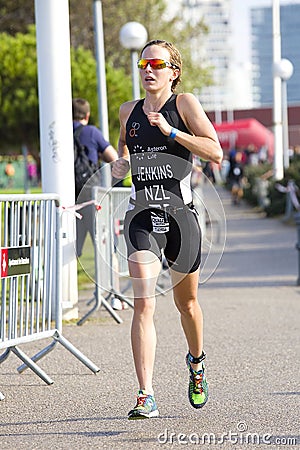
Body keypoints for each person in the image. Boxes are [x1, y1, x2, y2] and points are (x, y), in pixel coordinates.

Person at [112, 39, 223, 419]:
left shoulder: (184, 104)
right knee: (143, 302)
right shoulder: (128, 111)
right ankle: (146, 393)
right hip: (142, 215)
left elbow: (216, 152)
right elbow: (125, 147)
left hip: (181, 216)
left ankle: (196, 363)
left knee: (186, 303)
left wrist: (173, 133)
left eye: (156, 63)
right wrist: (122, 164)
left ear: (172, 72)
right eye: (143, 63)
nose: (147, 69)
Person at [72, 98, 117, 257]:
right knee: (103, 245)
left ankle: (64, 280)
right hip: (90, 193)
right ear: (87, 115)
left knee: (70, 245)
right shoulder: (91, 132)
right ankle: (106, 281)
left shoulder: (61, 132)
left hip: (69, 194)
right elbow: (113, 157)